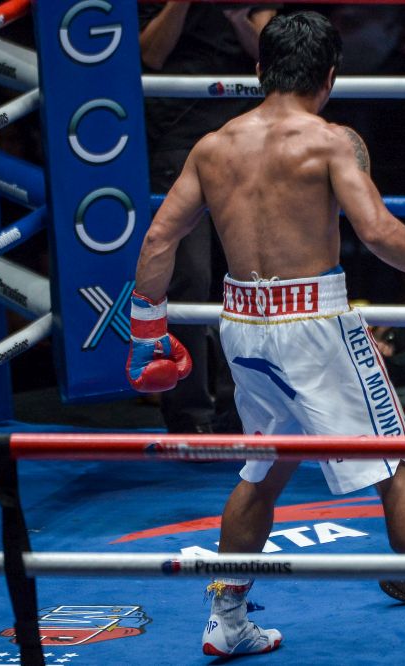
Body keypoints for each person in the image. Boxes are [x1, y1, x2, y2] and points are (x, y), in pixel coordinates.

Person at [127, 12, 405, 663]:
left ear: (258, 70)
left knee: (266, 467)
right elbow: (380, 232)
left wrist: (146, 333)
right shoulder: (326, 142)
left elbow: (160, 237)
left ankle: (227, 618)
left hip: (242, 327)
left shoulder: (214, 146)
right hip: (314, 325)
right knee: (399, 464)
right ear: (328, 78)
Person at [138, 2, 277, 434]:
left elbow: (274, 60)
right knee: (189, 277)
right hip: (176, 133)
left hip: (246, 132)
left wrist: (238, 18)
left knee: (256, 272)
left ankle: (248, 407)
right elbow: (149, 54)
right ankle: (189, 414)